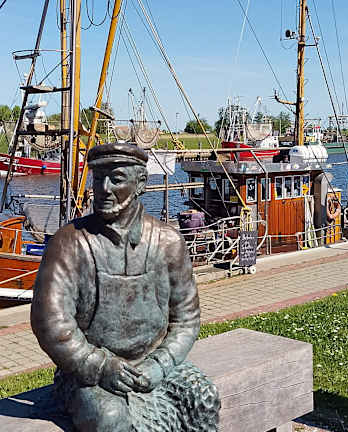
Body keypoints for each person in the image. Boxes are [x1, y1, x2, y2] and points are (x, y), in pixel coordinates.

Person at [31, 143, 219, 432]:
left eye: (116, 179)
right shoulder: (69, 243)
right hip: (89, 373)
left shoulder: (168, 242)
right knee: (109, 419)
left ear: (140, 183)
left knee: (204, 397)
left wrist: (160, 364)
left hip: (154, 362)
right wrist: (99, 365)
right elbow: (51, 323)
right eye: (97, 179)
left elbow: (187, 319)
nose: (104, 189)